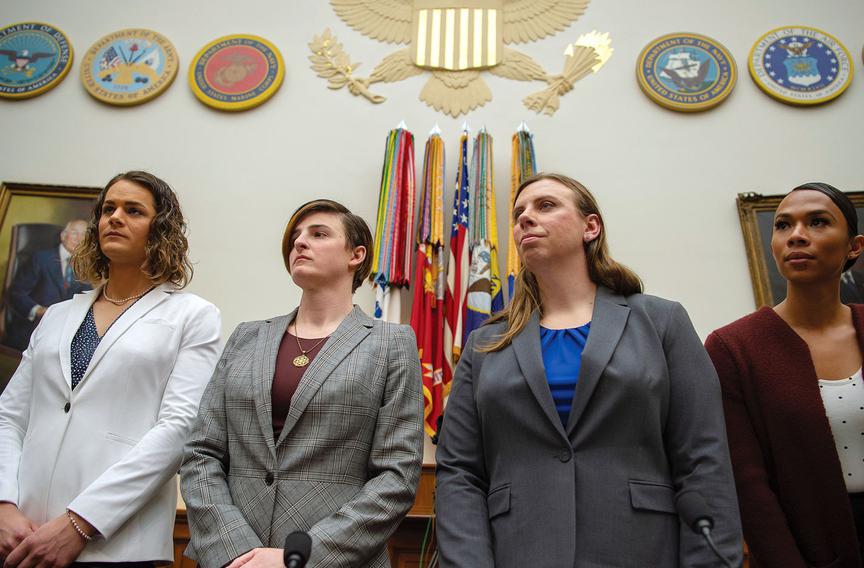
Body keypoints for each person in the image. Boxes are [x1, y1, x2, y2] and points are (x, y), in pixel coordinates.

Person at [435, 172, 743, 567]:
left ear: (590, 227)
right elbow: (460, 470)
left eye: (545, 206)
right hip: (519, 551)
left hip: (641, 550)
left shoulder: (661, 321)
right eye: (518, 213)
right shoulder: (486, 342)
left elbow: (704, 457)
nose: (526, 218)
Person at [181, 199, 423, 568]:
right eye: (295, 236)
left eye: (318, 234)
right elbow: (202, 452)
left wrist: (300, 556)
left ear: (356, 255)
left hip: (333, 560)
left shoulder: (392, 344)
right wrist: (235, 550)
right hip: (232, 559)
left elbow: (397, 476)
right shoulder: (246, 337)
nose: (299, 243)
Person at [0, 170, 221, 565]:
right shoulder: (56, 315)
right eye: (108, 209)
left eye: (133, 210)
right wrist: (4, 505)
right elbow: (10, 417)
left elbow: (178, 430)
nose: (114, 217)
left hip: (115, 543)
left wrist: (80, 523)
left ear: (161, 229)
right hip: (21, 535)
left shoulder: (193, 316)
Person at [706, 182, 864, 568]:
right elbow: (748, 484)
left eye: (817, 222)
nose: (796, 235)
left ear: (855, 246)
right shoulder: (733, 348)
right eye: (783, 225)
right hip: (809, 549)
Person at [5, 219, 93, 351]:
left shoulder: (83, 266)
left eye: (84, 235)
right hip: (32, 328)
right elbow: (16, 293)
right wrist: (38, 311)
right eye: (75, 233)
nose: (79, 239)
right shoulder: (40, 258)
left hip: (61, 332)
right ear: (63, 236)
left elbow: (86, 299)